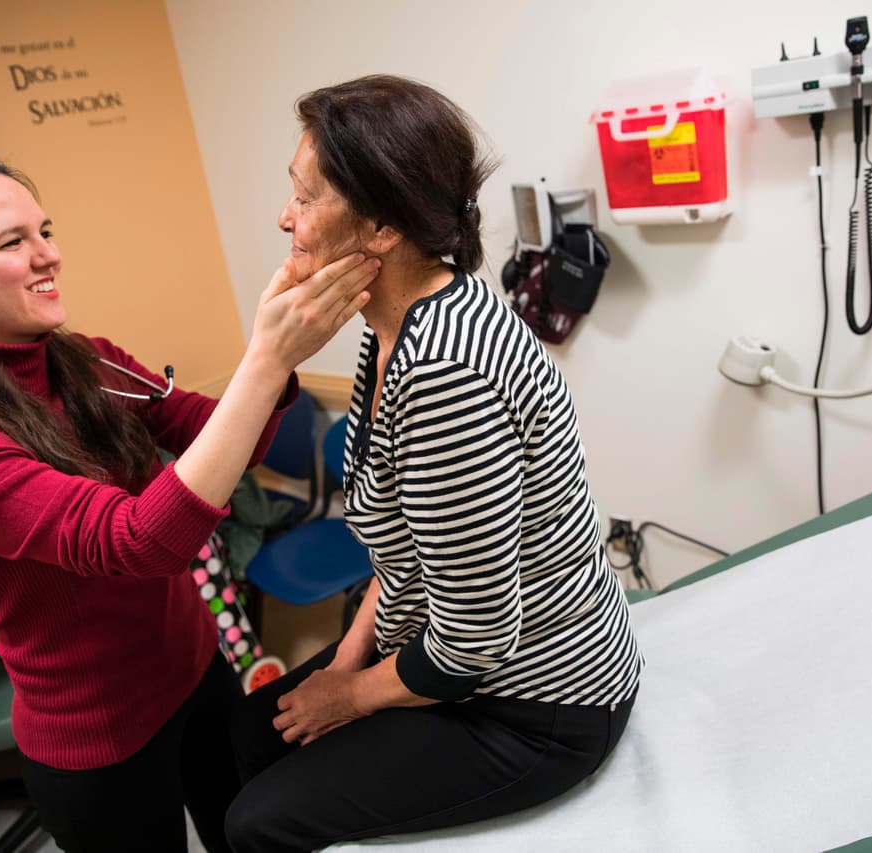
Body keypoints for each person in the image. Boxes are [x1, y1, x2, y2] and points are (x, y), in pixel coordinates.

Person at [0, 153, 377, 853]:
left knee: (250, 834)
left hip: (196, 670)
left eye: (45, 230)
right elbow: (134, 543)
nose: (49, 256)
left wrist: (277, 358)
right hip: (98, 740)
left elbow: (209, 431)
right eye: (13, 242)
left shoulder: (83, 360)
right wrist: (264, 360)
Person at [225, 75, 643, 852]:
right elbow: (410, 543)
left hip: (535, 705)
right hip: (453, 651)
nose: (286, 217)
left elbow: (479, 634)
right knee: (238, 738)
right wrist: (346, 659)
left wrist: (348, 696)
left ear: (380, 226)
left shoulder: (447, 370)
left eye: (306, 197)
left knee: (257, 820)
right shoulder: (390, 323)